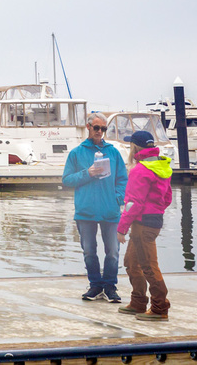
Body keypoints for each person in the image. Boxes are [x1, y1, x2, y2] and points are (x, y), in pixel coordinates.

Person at [61, 112, 128, 302]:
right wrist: (87, 173)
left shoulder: (113, 152)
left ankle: (110, 286)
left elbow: (123, 179)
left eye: (103, 129)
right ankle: (95, 285)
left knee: (113, 252)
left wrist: (117, 198)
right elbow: (66, 180)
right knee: (89, 251)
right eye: (97, 128)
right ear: (88, 127)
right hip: (86, 211)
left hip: (110, 211)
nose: (100, 132)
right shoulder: (76, 153)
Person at [117, 130, 173, 321]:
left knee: (148, 266)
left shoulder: (139, 170)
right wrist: (156, 209)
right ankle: (138, 302)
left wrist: (121, 228)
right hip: (153, 220)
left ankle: (160, 307)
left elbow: (133, 203)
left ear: (135, 147)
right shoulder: (162, 165)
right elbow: (168, 198)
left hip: (142, 223)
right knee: (132, 263)